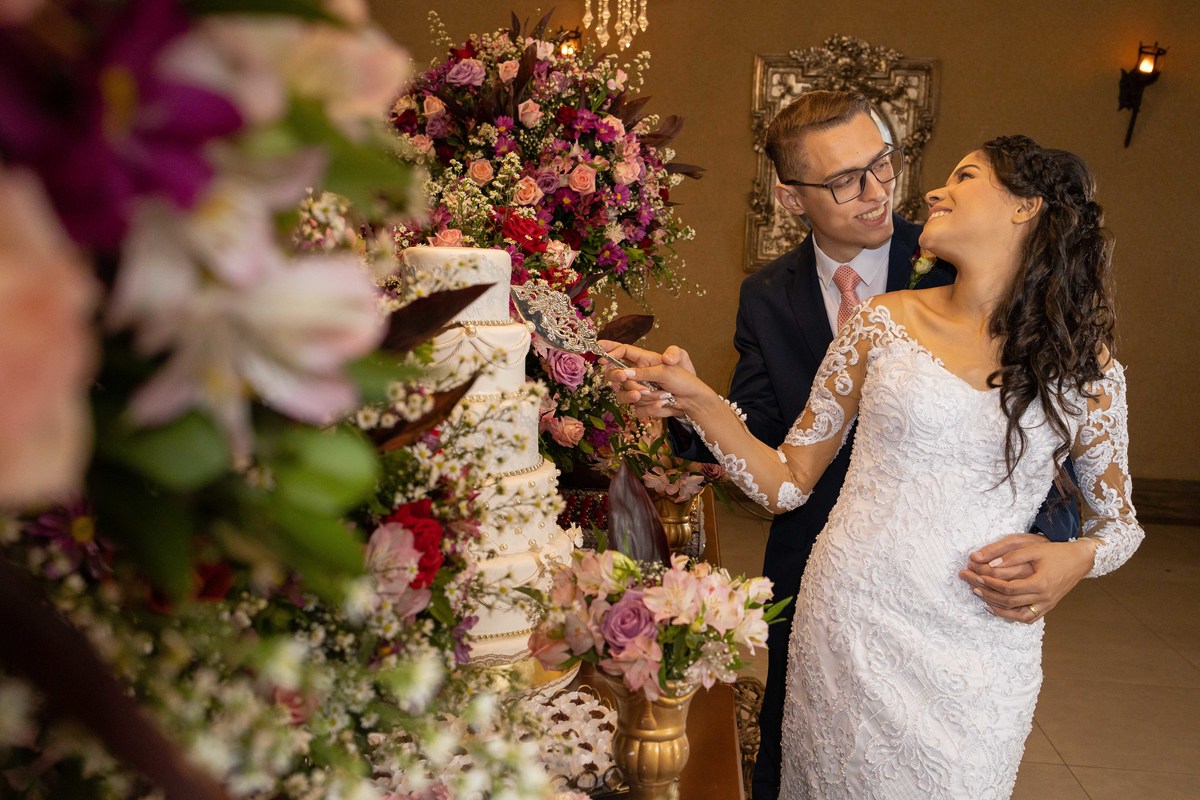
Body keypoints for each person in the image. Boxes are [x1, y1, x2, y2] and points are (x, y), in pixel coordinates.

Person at [605, 134, 1143, 797]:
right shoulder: (880, 325)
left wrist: (1075, 558)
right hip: (850, 624)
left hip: (983, 646)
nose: (935, 191)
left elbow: (1120, 527)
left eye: (965, 176)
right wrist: (697, 401)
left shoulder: (1087, 370)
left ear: (1025, 207)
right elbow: (786, 483)